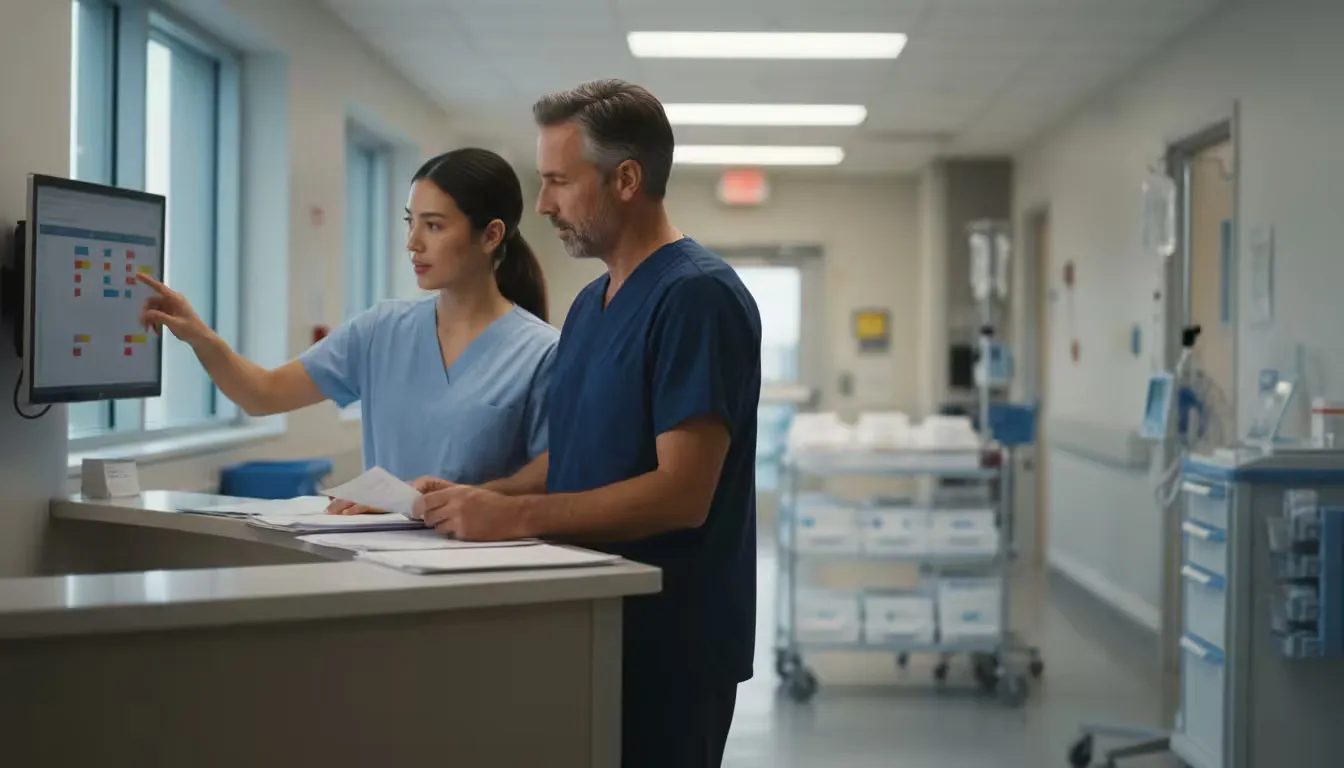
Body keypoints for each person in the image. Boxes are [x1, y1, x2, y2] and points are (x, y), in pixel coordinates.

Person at [411, 80, 761, 768]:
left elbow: (681, 494)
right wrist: (470, 496)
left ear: (626, 179)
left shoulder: (696, 298)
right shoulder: (591, 305)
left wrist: (513, 520)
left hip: (669, 649)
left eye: (558, 182)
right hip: (593, 626)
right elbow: (577, 455)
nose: (542, 206)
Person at [139, 147, 558, 512]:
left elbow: (550, 473)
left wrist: (453, 498)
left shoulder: (541, 352)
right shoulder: (380, 331)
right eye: (410, 222)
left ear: (491, 235)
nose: (412, 242)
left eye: (433, 226)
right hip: (379, 565)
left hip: (487, 568)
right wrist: (200, 336)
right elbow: (261, 394)